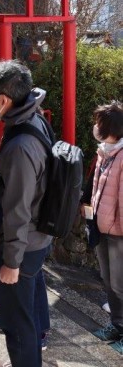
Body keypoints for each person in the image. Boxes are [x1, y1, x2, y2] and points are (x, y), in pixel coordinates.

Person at [0, 60, 52, 367]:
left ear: (4, 100)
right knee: (29, 310)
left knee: (16, 322)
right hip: (35, 238)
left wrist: (12, 262)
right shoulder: (31, 120)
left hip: (21, 245)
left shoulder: (20, 145)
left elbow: (18, 211)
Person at [85, 101, 123, 355]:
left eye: (100, 123)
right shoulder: (105, 152)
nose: (96, 127)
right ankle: (117, 326)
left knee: (120, 283)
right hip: (103, 227)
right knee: (109, 282)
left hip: (119, 233)